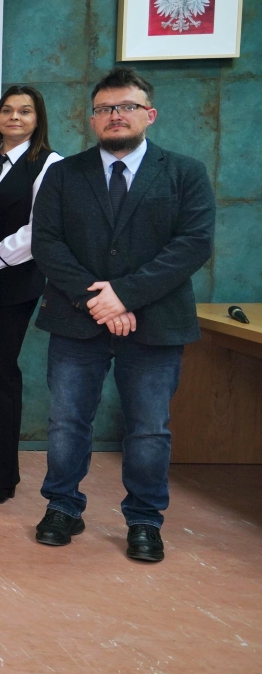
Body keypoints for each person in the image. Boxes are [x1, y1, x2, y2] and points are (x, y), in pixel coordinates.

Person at [30, 69, 214, 563]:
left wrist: (126, 296)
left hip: (155, 323)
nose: (115, 115)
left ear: (148, 115)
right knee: (68, 422)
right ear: (91, 119)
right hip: (76, 320)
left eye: (127, 107)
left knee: (149, 427)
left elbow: (193, 244)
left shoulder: (184, 172)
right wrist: (99, 301)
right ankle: (63, 507)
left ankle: (145, 520)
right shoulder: (64, 174)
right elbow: (47, 244)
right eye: (105, 108)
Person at [0, 86, 62, 504]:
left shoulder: (50, 165)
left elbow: (40, 230)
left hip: (9, 284)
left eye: (24, 111)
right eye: (7, 110)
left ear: (38, 119)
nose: (14, 117)